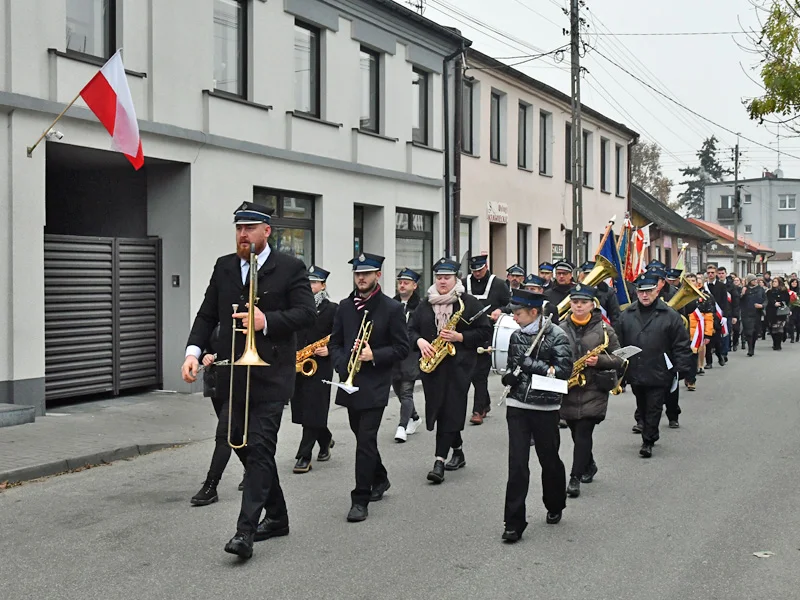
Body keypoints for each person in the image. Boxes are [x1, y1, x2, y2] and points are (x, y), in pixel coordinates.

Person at [181, 201, 317, 560]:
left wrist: (266, 322)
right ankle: (278, 516)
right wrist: (193, 353)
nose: (243, 234)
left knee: (259, 447)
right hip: (232, 374)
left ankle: (245, 533)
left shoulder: (289, 267)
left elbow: (306, 313)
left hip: (271, 374)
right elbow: (208, 313)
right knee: (239, 444)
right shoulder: (225, 266)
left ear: (266, 231)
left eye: (250, 228)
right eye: (239, 228)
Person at [328, 253, 409, 523]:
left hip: (375, 385)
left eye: (367, 273)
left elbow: (401, 348)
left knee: (364, 441)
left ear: (378, 276)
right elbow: (334, 344)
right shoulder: (344, 306)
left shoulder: (391, 308)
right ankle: (381, 478)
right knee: (363, 438)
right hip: (350, 383)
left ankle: (359, 499)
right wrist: (343, 364)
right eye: (357, 274)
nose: (361, 278)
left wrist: (373, 355)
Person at [409, 258, 492, 483]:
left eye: (447, 277)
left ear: (456, 278)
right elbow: (410, 330)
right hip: (433, 367)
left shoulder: (468, 302)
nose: (442, 281)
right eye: (439, 277)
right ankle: (458, 449)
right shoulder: (425, 304)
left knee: (451, 408)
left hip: (459, 367)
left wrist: (460, 337)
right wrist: (420, 343)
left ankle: (439, 461)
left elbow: (485, 332)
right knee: (439, 409)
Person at [499, 289, 572, 543]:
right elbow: (512, 365)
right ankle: (513, 523)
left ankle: (554, 503)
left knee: (549, 460)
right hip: (517, 406)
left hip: (546, 408)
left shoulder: (557, 336)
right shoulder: (516, 336)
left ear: (533, 313)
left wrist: (531, 366)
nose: (515, 319)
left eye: (518, 314)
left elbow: (563, 371)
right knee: (517, 466)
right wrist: (508, 376)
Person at [615, 272, 693, 458]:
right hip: (636, 370)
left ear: (656, 291)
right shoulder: (626, 315)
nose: (645, 295)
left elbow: (681, 343)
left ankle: (648, 440)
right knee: (641, 405)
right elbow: (618, 343)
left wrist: (682, 368)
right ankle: (646, 428)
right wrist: (618, 369)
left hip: (659, 370)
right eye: (641, 291)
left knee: (654, 406)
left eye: (649, 291)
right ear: (636, 292)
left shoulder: (670, 315)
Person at [559, 284, 623, 499]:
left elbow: (620, 358)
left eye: (583, 302)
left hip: (594, 387)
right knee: (577, 433)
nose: (579, 306)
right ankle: (590, 464)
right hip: (568, 388)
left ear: (592, 305)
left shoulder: (605, 330)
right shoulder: (559, 327)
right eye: (575, 302)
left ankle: (574, 478)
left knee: (584, 431)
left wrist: (600, 360)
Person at [190, 324, 247, 506]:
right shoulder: (214, 316)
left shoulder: (245, 316)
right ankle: (253, 468)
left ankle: (211, 485)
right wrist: (204, 354)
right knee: (235, 435)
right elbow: (202, 339)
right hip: (217, 382)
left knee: (224, 434)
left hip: (239, 382)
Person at [290, 266, 338, 474]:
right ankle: (325, 438)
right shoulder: (297, 307)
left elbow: (340, 335)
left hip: (321, 366)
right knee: (302, 410)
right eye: (307, 282)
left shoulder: (333, 309)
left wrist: (330, 349)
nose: (310, 287)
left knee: (313, 407)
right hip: (299, 364)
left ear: (323, 285)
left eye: (314, 283)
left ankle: (304, 456)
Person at [462, 255, 511, 425]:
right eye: (474, 270)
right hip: (467, 334)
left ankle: (477, 410)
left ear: (486, 266)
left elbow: (510, 304)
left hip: (488, 334)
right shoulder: (463, 283)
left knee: (480, 373)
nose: (477, 273)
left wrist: (500, 310)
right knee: (473, 373)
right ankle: (485, 403)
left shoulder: (498, 284)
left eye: (480, 270)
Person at [392, 268, 423, 443]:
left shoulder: (420, 306)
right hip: (394, 352)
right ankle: (415, 417)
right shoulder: (391, 303)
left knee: (406, 390)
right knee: (397, 387)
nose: (402, 285)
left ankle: (402, 426)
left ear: (414, 285)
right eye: (400, 282)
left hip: (411, 352)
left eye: (406, 282)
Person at [577, 261, 621, 328]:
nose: (589, 276)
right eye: (587, 274)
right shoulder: (576, 290)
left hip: (602, 329)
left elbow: (615, 316)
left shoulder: (608, 292)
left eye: (592, 274)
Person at [740, 274, 765, 356]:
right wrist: (742, 294)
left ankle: (752, 346)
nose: (755, 281)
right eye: (753, 280)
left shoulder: (760, 289)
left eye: (755, 280)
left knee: (755, 331)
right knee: (748, 332)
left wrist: (762, 305)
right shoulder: (744, 289)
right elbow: (739, 300)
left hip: (757, 313)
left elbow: (765, 300)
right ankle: (750, 348)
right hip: (746, 313)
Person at [765, 277, 790, 350]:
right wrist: (774, 303)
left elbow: (787, 300)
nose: (774, 283)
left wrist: (781, 303)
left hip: (781, 312)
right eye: (773, 282)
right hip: (771, 311)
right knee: (772, 328)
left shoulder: (784, 291)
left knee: (779, 328)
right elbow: (768, 300)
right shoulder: (769, 292)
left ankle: (778, 344)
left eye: (775, 281)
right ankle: (775, 342)